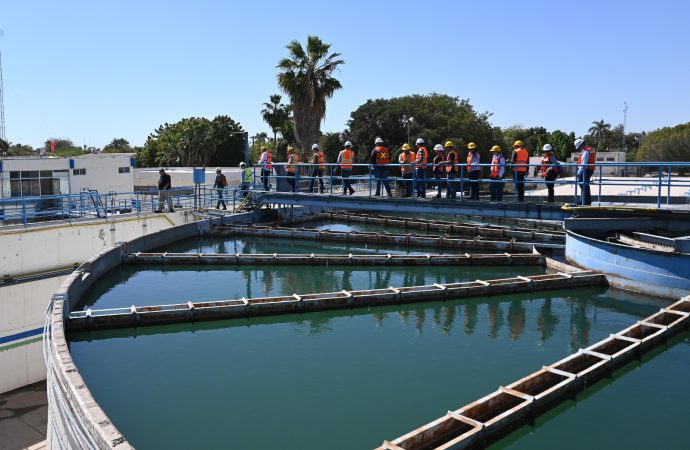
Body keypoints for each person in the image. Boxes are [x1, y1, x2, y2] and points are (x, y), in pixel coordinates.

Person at [575, 138, 596, 205]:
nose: (578, 149)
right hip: (588, 169)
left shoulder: (585, 152)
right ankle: (585, 201)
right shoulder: (587, 150)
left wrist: (578, 173)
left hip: (586, 170)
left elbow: (584, 164)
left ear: (581, 145)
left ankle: (586, 202)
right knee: (584, 185)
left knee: (583, 185)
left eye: (578, 147)